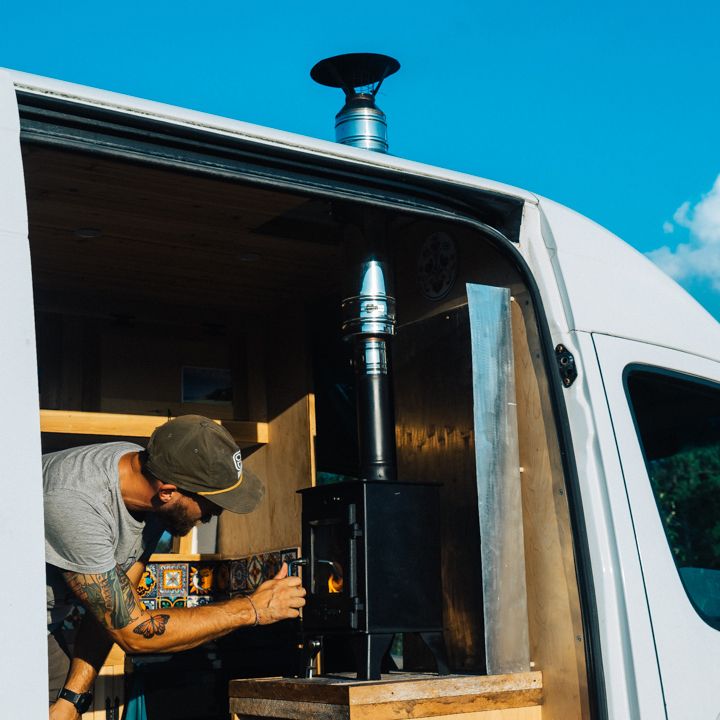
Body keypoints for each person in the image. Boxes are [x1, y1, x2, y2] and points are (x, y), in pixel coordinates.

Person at [45, 414, 305, 719]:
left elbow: (111, 610)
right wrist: (252, 609)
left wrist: (73, 698)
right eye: (210, 504)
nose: (215, 514)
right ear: (167, 491)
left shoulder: (148, 485)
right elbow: (135, 632)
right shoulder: (76, 504)